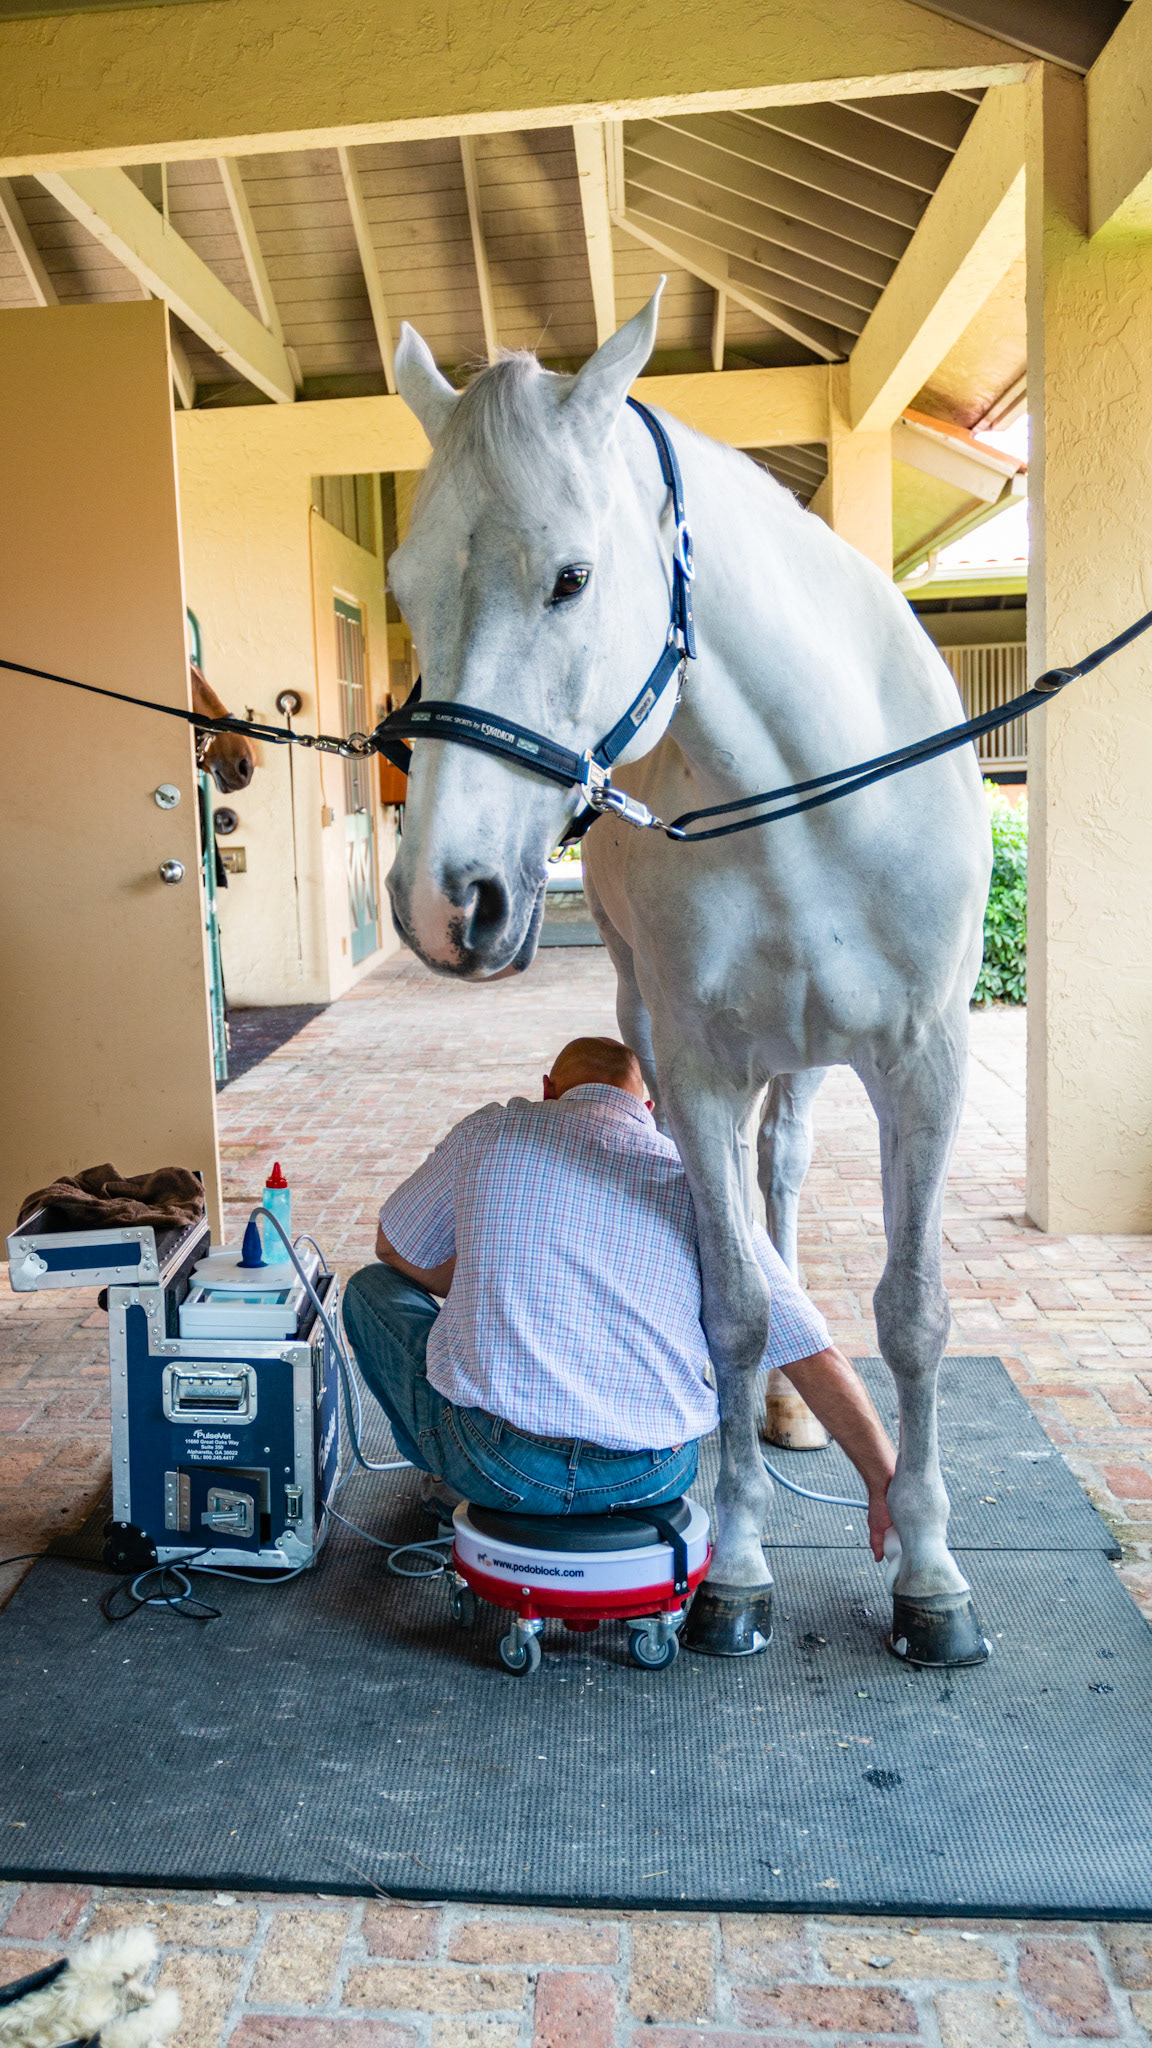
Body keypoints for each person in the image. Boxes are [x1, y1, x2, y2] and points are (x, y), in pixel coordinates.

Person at [343, 1037, 896, 1557]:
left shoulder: (490, 1132)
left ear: (547, 1088)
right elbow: (809, 1349)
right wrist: (885, 1484)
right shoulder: (697, 1182)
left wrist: (474, 1284)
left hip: (498, 1465)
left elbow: (394, 1249)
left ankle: (448, 1474)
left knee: (370, 1291)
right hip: (651, 1474)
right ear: (648, 1106)